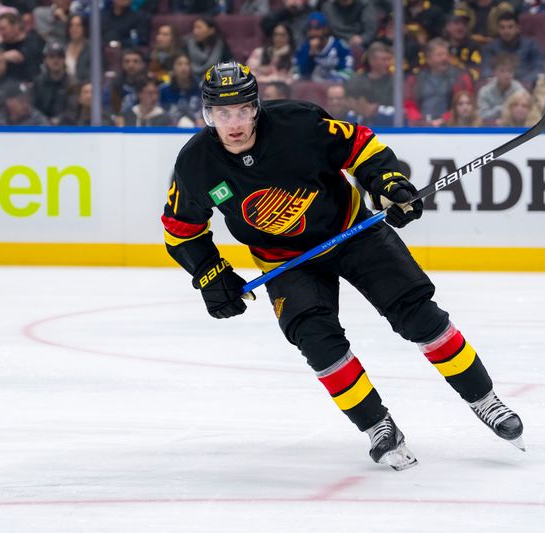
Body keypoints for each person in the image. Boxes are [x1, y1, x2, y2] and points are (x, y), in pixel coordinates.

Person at [160, 61, 525, 470]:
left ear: (256, 106)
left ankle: (484, 400)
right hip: (288, 261)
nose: (235, 123)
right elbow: (180, 229)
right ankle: (378, 427)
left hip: (353, 232)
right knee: (316, 341)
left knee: (419, 316)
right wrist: (211, 274)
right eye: (223, 114)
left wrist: (387, 183)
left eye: (243, 109)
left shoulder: (298, 122)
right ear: (208, 114)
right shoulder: (195, 164)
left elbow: (361, 147)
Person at [481, 11, 544, 87]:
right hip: (499, 86)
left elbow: (539, 67)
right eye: (502, 27)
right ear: (498, 29)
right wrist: (499, 82)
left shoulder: (530, 45)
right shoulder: (491, 47)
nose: (506, 31)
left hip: (525, 85)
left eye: (510, 27)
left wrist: (525, 81)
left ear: (518, 28)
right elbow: (486, 69)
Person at [295, 11, 353, 82]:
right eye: (309, 29)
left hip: (334, 87)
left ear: (326, 30)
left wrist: (330, 83)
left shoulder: (340, 46)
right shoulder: (304, 47)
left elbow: (347, 72)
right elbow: (301, 74)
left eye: (317, 29)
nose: (313, 33)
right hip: (312, 88)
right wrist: (311, 55)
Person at [32, 40, 73, 124]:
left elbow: (73, 110)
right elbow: (33, 108)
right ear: (45, 60)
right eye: (51, 56)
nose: (56, 60)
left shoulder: (72, 83)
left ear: (64, 59)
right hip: (41, 128)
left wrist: (58, 120)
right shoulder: (38, 83)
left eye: (60, 56)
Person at [477, 52, 525, 122]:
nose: (506, 75)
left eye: (510, 71)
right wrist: (502, 109)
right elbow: (482, 115)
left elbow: (525, 114)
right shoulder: (484, 91)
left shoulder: (520, 91)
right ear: (495, 72)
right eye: (502, 71)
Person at [0, 11, 44, 81]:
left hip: (32, 82)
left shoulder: (35, 41)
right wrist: (1, 57)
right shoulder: (0, 46)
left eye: (3, 29)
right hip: (7, 86)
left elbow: (21, 57)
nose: (1, 33)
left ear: (16, 26)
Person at [159, 53, 203, 127]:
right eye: (179, 64)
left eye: (187, 64)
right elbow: (161, 112)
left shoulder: (201, 89)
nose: (183, 67)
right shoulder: (164, 90)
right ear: (173, 67)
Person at [64, 14, 90, 82]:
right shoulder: (64, 47)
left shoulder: (92, 49)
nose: (74, 28)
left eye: (78, 25)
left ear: (84, 28)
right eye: (71, 25)